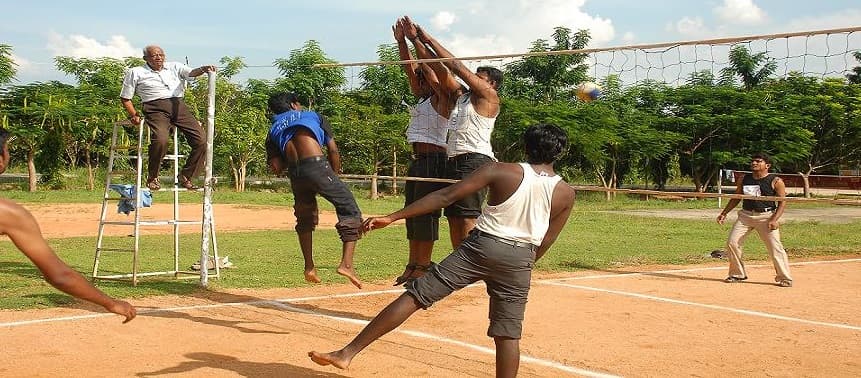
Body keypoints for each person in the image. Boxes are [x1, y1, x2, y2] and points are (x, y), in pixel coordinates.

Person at [309, 124, 576, 377]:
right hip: (520, 257)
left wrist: (394, 216)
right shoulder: (566, 192)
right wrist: (520, 266)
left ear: (527, 147)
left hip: (482, 247)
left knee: (416, 296)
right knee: (508, 333)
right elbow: (546, 240)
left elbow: (445, 196)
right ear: (559, 153)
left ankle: (347, 353)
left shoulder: (501, 170)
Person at [0, 128, 136, 322]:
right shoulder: (9, 214)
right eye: (7, 149)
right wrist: (110, 302)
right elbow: (59, 275)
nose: (9, 154)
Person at [406, 17, 505, 249]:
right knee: (454, 217)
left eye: (480, 78)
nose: (474, 79)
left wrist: (427, 37)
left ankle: (472, 264)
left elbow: (456, 66)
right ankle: (459, 265)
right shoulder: (462, 96)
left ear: (492, 85)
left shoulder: (488, 97)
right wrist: (415, 41)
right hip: (456, 160)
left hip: (476, 161)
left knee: (467, 217)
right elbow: (439, 67)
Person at [265, 92, 363, 289]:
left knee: (305, 218)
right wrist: (333, 176)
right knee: (350, 209)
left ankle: (309, 266)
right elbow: (333, 149)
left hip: (296, 173)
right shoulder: (313, 116)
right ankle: (346, 265)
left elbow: (276, 168)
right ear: (293, 105)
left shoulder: (273, 129)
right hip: (317, 166)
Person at [391, 17, 458, 286]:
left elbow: (431, 67)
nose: (418, 79)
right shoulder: (421, 98)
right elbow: (410, 68)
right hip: (419, 160)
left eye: (423, 77)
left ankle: (424, 265)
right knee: (412, 212)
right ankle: (413, 264)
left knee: (426, 214)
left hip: (434, 161)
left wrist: (416, 39)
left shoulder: (444, 98)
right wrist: (401, 42)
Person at [120, 45, 216, 191]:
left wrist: (203, 69)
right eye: (154, 55)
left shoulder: (175, 67)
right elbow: (125, 98)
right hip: (154, 108)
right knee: (161, 139)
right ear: (146, 58)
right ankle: (153, 177)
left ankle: (186, 175)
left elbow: (191, 73)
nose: (158, 57)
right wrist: (134, 114)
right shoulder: (136, 72)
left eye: (161, 54)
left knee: (202, 140)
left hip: (178, 106)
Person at [717, 153, 792, 287]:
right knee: (732, 243)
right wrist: (724, 213)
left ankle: (784, 278)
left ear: (767, 165)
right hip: (745, 216)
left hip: (766, 217)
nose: (754, 163)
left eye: (758, 161)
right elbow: (737, 197)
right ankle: (737, 274)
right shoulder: (744, 178)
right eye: (753, 161)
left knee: (775, 248)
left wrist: (774, 219)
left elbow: (782, 202)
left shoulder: (776, 181)